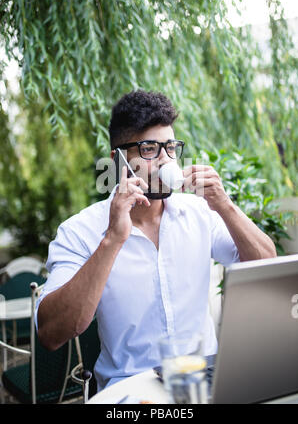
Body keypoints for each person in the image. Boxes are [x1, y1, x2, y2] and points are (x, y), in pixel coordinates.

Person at [36, 89, 276, 392]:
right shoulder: (80, 231)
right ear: (118, 159)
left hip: (204, 378)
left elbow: (268, 269)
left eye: (171, 148)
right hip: (130, 388)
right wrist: (112, 239)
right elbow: (51, 333)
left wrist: (225, 206)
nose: (165, 161)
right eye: (150, 149)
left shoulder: (201, 212)